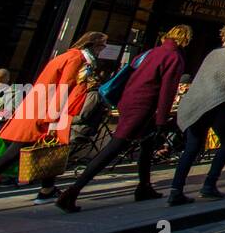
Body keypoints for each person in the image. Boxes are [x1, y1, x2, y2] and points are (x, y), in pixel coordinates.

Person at [0, 33, 106, 217]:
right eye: (102, 46)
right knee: (10, 155)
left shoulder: (66, 55)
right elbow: (65, 87)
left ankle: (47, 190)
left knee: (48, 151)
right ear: (93, 44)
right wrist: (53, 119)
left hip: (36, 108)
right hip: (43, 113)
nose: (102, 50)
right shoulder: (77, 59)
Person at [56, 26, 188, 213]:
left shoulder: (148, 53)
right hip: (143, 106)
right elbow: (167, 90)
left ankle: (144, 186)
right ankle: (72, 192)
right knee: (114, 147)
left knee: (147, 146)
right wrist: (161, 119)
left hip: (128, 101)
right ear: (185, 40)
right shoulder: (173, 57)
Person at [168, 18, 225, 206]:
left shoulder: (214, 53)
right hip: (217, 102)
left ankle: (176, 189)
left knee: (191, 147)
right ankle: (209, 184)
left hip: (196, 102)